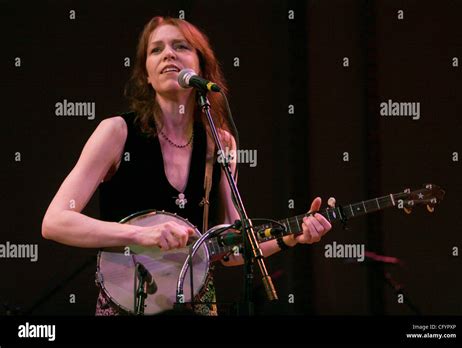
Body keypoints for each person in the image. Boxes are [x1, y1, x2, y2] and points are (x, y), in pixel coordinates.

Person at [41, 16, 332, 316]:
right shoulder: (116, 132)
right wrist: (141, 235)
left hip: (196, 303)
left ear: (201, 67)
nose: (168, 53)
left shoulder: (221, 144)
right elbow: (55, 221)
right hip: (128, 302)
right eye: (156, 50)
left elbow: (232, 250)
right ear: (147, 75)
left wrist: (292, 235)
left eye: (180, 46)